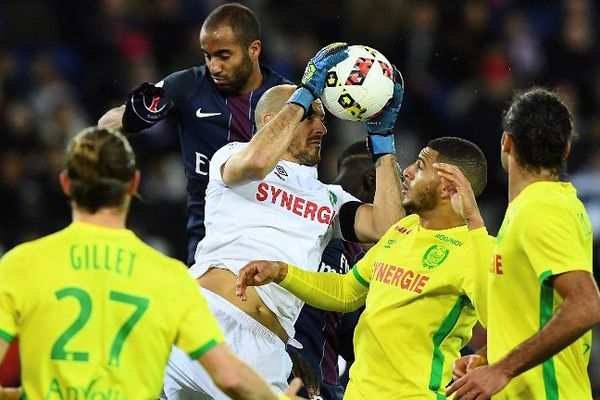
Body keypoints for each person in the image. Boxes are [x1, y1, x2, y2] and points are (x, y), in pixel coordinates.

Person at [162, 42, 405, 399]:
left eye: (324, 117)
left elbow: (389, 229)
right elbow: (259, 159)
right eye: (312, 115)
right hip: (205, 320)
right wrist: (306, 92)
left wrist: (383, 143)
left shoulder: (330, 199)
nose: (322, 126)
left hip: (268, 350)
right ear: (272, 120)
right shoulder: (231, 158)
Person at [0, 127, 304, 400]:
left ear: (66, 184)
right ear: (134, 183)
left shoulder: (20, 265)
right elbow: (229, 375)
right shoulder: (169, 278)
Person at [236, 136, 496, 399]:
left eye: (419, 166)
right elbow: (348, 291)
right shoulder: (401, 229)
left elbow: (500, 323)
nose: (407, 171)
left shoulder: (477, 247)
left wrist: (474, 221)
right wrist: (281, 272)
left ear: (447, 186)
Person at [98, 3, 288, 265]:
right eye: (208, 56)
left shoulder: (286, 98)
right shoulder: (187, 86)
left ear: (253, 49)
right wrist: (132, 115)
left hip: (274, 233)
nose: (215, 67)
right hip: (209, 239)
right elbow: (107, 123)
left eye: (224, 56)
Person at [447, 88, 600, 399]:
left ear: (506, 142)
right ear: (566, 149)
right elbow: (534, 313)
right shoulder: (542, 205)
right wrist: (490, 358)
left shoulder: (541, 209)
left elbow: (586, 305)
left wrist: (502, 370)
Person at [290, 141, 375, 400]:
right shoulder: (299, 211)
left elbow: (353, 340)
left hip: (322, 384)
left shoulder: (357, 254)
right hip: (282, 375)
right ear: (373, 180)